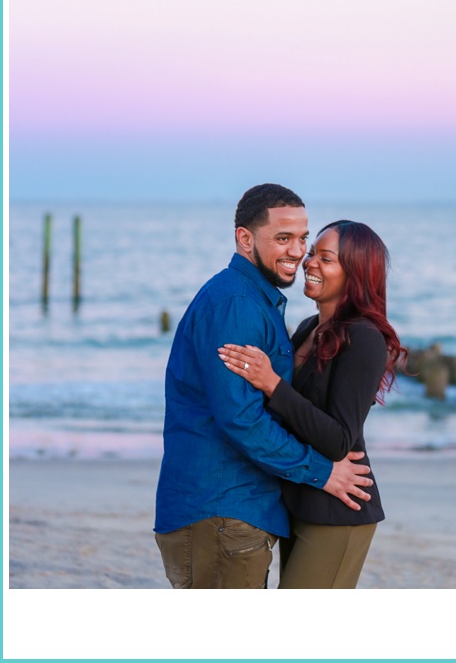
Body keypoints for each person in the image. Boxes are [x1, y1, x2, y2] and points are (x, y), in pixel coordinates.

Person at [153, 184, 374, 589]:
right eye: (283, 238)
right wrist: (322, 472)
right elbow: (242, 419)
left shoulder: (258, 302)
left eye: (303, 238)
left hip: (233, 512)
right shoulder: (237, 305)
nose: (297, 251)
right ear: (245, 238)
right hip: (222, 510)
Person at [218, 219, 407, 589]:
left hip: (339, 511)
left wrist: (272, 383)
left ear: (354, 274)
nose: (309, 261)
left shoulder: (364, 339)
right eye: (313, 253)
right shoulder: (308, 328)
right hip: (302, 501)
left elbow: (339, 439)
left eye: (327, 258)